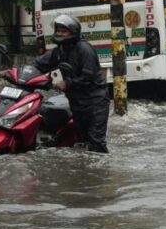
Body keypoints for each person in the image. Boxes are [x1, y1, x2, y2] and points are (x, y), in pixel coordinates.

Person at [31, 14, 110, 153]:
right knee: (81, 142)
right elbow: (39, 65)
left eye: (64, 31)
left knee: (96, 141)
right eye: (58, 31)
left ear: (73, 32)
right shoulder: (58, 51)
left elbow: (88, 76)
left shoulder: (85, 49)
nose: (60, 34)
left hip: (95, 102)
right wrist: (15, 72)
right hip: (76, 102)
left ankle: (101, 171)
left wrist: (67, 84)